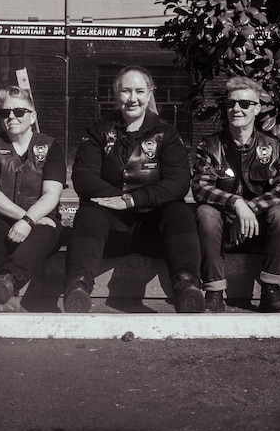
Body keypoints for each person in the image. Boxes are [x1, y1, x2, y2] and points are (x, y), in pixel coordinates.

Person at [62, 65, 204, 313]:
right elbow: (83, 177)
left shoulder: (166, 133)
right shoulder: (98, 131)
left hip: (154, 229)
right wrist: (117, 199)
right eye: (126, 91)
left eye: (139, 91)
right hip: (110, 231)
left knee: (180, 212)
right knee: (88, 212)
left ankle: (187, 286)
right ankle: (78, 288)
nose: (133, 98)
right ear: (116, 94)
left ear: (149, 94)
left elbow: (179, 181)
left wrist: (133, 200)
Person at [192, 76, 280, 313]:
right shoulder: (210, 146)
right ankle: (214, 292)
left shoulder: (273, 146)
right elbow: (200, 186)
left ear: (258, 108)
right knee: (206, 213)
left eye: (245, 104)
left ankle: (271, 292)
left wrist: (251, 208)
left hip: (260, 226)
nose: (236, 109)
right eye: (231, 104)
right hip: (224, 225)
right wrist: (236, 203)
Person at [0, 86, 65, 312]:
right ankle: (5, 302)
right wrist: (23, 218)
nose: (11, 117)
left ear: (33, 116)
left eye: (19, 112)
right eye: (5, 113)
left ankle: (4, 283)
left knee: (47, 229)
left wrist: (29, 220)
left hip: (39, 217)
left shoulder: (51, 146)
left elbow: (52, 194)